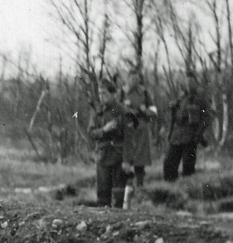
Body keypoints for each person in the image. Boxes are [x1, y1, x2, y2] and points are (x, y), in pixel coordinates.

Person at [87, 79, 130, 208]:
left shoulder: (123, 111)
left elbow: (130, 138)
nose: (101, 96)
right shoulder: (97, 111)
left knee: (118, 198)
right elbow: (90, 133)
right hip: (103, 156)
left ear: (113, 94)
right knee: (102, 196)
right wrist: (104, 130)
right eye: (99, 93)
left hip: (119, 156)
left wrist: (127, 161)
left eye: (104, 93)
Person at [162, 73, 211, 182]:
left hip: (191, 136)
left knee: (188, 167)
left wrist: (198, 134)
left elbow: (206, 118)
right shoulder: (181, 97)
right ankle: (171, 191)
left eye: (191, 82)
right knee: (169, 164)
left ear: (195, 83)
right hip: (177, 136)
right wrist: (169, 133)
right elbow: (174, 117)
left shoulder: (200, 98)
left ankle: (188, 192)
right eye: (186, 82)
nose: (188, 85)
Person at [121, 73, 156, 204]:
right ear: (127, 79)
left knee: (140, 162)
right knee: (126, 161)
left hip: (141, 129)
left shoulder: (145, 93)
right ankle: (126, 195)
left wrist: (143, 110)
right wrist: (128, 110)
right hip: (128, 128)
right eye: (131, 78)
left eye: (136, 78)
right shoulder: (122, 92)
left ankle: (140, 192)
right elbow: (117, 108)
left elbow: (153, 111)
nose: (133, 80)